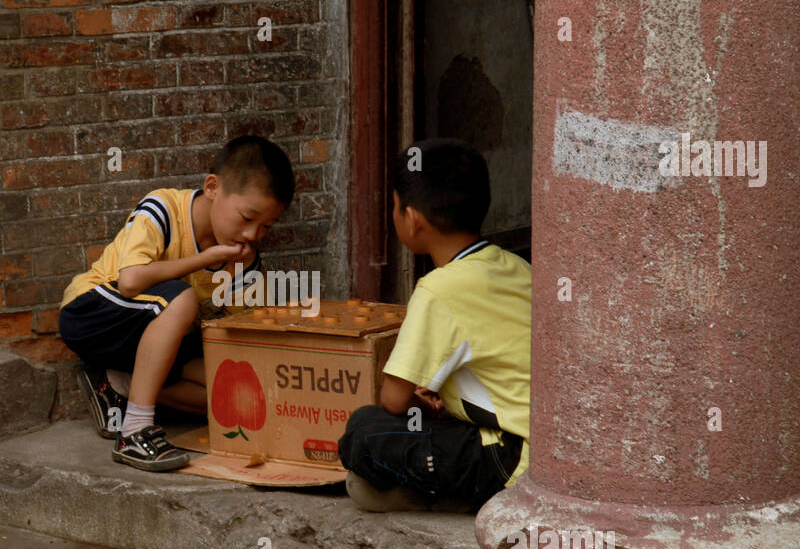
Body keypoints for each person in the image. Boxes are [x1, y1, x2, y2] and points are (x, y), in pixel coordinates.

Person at [61, 134, 294, 471]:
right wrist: (204, 259)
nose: (252, 235)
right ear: (213, 187)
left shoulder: (243, 263)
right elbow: (130, 282)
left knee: (235, 400)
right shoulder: (163, 209)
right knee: (182, 299)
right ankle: (134, 433)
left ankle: (117, 383)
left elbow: (239, 336)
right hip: (94, 314)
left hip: (155, 343)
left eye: (266, 227)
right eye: (247, 218)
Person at [339, 138, 531, 512]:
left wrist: (420, 404)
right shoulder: (516, 265)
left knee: (364, 431)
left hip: (506, 457)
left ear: (412, 219)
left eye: (394, 206)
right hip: (537, 446)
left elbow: (394, 399)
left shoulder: (438, 289)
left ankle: (448, 497)